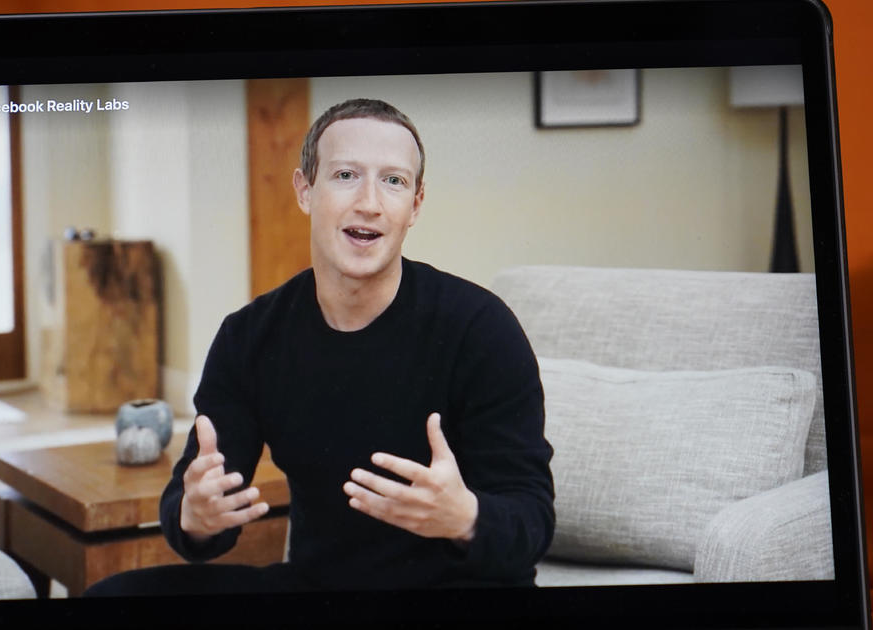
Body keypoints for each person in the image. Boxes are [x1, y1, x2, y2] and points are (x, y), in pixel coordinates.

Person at [85, 98, 553, 596]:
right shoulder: (250, 336)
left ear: (415, 205)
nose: (369, 202)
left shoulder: (481, 329)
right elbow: (199, 501)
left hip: (460, 591)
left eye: (393, 181)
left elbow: (532, 520)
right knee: (113, 597)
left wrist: (464, 517)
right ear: (305, 190)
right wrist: (195, 515)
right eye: (346, 175)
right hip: (321, 586)